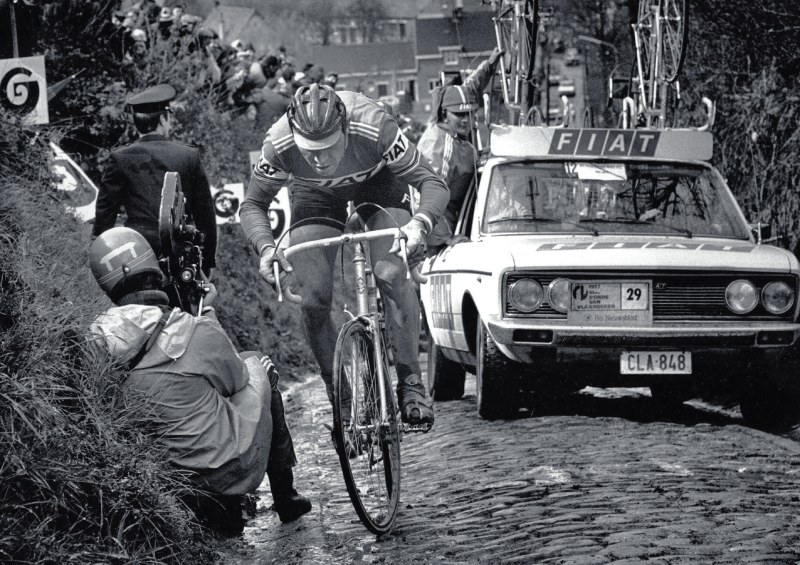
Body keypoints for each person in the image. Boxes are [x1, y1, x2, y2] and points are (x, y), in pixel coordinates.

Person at [240, 84, 450, 429]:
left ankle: (411, 382)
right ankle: (337, 389)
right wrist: (266, 247)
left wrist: (418, 225)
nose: (320, 159)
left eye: (327, 147)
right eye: (310, 151)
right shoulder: (278, 142)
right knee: (314, 297)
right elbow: (253, 205)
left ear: (345, 128)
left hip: (378, 182)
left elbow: (433, 183)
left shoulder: (374, 126)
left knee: (389, 271)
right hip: (315, 194)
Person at [87, 227, 311, 533]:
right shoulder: (191, 328)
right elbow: (235, 379)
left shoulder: (96, 338)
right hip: (228, 471)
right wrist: (207, 312)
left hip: (165, 480)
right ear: (156, 269)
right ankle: (285, 496)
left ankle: (220, 510)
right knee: (258, 363)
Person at [92, 84, 217, 276]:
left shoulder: (120, 157)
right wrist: (207, 262)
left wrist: (101, 258)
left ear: (136, 122)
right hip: (179, 251)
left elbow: (105, 214)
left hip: (136, 252)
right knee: (200, 301)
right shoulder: (188, 156)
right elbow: (205, 215)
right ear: (164, 118)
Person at [417, 47, 503, 253]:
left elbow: (470, 89)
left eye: (470, 114)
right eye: (459, 115)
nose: (466, 120)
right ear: (445, 114)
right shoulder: (438, 147)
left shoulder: (452, 122)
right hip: (434, 236)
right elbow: (426, 197)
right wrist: (446, 238)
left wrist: (490, 64)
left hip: (454, 217)